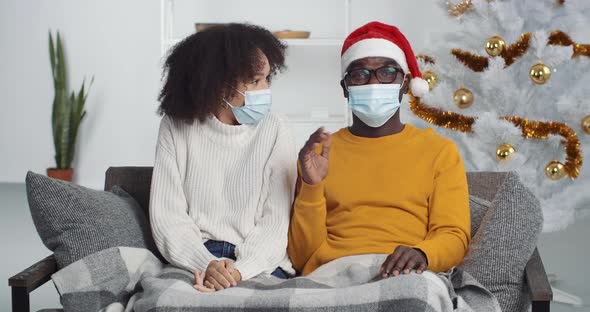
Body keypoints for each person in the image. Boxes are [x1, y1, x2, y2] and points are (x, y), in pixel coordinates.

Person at [288, 21, 470, 278]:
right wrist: (311, 186)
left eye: (386, 72)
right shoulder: (319, 154)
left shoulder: (439, 152)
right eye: (359, 74)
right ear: (345, 88)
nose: (373, 82)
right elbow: (301, 257)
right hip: (331, 275)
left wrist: (423, 254)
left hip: (406, 274)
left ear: (405, 84)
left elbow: (454, 236)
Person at [150, 23, 297, 292]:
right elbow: (168, 219)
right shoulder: (174, 127)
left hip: (260, 262)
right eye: (255, 81)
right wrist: (207, 264)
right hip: (194, 260)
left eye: (267, 79)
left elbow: (276, 225)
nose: (265, 89)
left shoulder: (276, 127)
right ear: (217, 84)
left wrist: (239, 271)